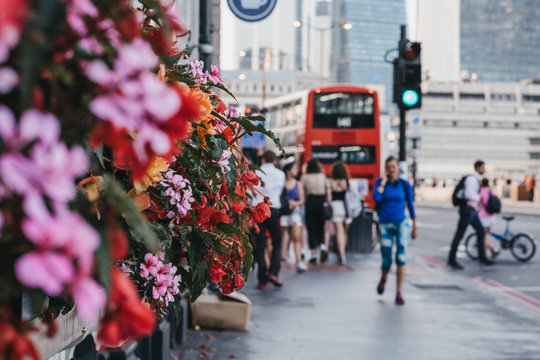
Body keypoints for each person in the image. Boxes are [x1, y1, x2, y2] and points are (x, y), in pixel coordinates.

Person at [373, 156, 417, 305]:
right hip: (385, 224)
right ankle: (384, 277)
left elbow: (410, 204)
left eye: (393, 167)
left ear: (398, 167)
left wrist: (415, 225)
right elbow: (376, 198)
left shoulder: (404, 185)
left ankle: (399, 292)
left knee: (401, 257)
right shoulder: (380, 183)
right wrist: (383, 183)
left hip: (401, 224)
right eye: (388, 167)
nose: (391, 170)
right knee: (386, 260)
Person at [447, 160, 493, 270]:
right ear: (477, 167)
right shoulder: (472, 179)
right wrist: (479, 198)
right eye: (482, 167)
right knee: (459, 235)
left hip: (471, 211)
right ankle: (451, 259)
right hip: (467, 210)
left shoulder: (476, 179)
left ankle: (482, 257)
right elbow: (468, 194)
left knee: (481, 231)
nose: (484, 169)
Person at [252, 150, 286, 289]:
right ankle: (274, 272)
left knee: (260, 245)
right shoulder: (281, 174)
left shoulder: (257, 173)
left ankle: (262, 280)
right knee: (277, 243)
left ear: (263, 160)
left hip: (258, 209)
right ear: (274, 161)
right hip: (274, 210)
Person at [280, 161, 307, 273]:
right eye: (294, 169)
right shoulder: (281, 183)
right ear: (288, 171)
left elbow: (302, 200)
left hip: (295, 212)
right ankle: (282, 258)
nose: (296, 171)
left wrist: (294, 203)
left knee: (296, 237)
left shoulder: (298, 183)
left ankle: (299, 261)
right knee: (283, 235)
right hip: (284, 212)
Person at [301, 159, 328, 264]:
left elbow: (303, 192)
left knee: (311, 227)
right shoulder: (322, 176)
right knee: (321, 226)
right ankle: (322, 246)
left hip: (310, 201)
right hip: (321, 201)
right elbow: (327, 190)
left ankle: (313, 253)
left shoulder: (305, 177)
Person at [329, 161, 352, 265]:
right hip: (347, 207)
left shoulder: (331, 182)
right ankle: (342, 252)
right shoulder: (346, 181)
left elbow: (329, 197)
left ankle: (341, 255)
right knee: (344, 232)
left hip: (336, 207)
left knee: (339, 231)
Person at [479, 178, 499, 259]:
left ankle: (492, 250)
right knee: (485, 234)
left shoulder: (481, 191)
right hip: (492, 217)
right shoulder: (492, 191)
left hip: (484, 217)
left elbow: (478, 203)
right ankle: (488, 252)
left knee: (483, 236)